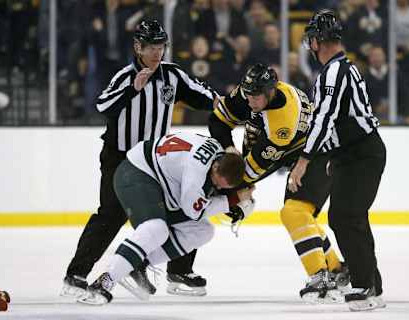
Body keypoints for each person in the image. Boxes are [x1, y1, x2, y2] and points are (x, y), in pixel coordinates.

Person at [62, 20, 219, 299]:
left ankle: (178, 270)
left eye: (161, 47)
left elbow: (205, 97)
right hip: (120, 157)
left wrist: (232, 105)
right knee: (111, 215)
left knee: (182, 205)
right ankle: (76, 274)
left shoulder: (172, 75)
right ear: (138, 47)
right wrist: (133, 89)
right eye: (152, 47)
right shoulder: (124, 76)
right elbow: (102, 105)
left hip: (156, 161)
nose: (157, 53)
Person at [208, 63, 348, 303]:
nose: (250, 100)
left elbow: (248, 173)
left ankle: (320, 277)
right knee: (298, 214)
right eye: (248, 94)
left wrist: (227, 192)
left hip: (318, 153)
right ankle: (336, 269)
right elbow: (217, 121)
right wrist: (230, 149)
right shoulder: (249, 93)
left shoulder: (282, 122)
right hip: (297, 153)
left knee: (294, 212)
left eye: (256, 96)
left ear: (271, 92)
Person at [78, 132, 255, 304]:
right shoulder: (196, 171)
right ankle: (105, 280)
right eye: (216, 183)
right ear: (215, 167)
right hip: (136, 173)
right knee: (156, 228)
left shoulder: (218, 155)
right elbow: (193, 211)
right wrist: (233, 199)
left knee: (203, 231)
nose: (216, 186)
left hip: (159, 181)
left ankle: (137, 264)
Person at [289, 9, 386, 311]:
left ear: (318, 40)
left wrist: (304, 160)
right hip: (352, 154)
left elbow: (324, 118)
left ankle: (365, 286)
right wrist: (333, 154)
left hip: (361, 154)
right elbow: (336, 120)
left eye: (311, 41)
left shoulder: (334, 72)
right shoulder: (342, 69)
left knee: (345, 217)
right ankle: (372, 286)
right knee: (352, 217)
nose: (310, 46)